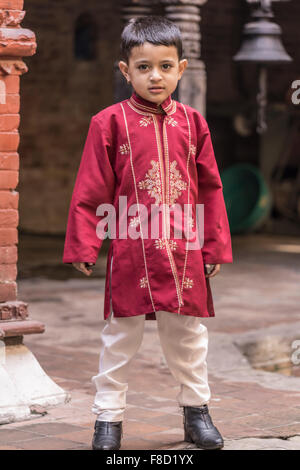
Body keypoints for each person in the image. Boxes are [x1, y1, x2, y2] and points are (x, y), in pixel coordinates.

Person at [63, 15, 233, 451]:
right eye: (143, 67)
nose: (154, 76)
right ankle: (107, 420)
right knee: (120, 337)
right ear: (125, 71)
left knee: (188, 337)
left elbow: (211, 187)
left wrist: (213, 244)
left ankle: (197, 414)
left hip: (183, 250)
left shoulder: (194, 123)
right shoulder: (109, 122)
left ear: (182, 67)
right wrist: (86, 242)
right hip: (131, 246)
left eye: (164, 66)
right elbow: (91, 187)